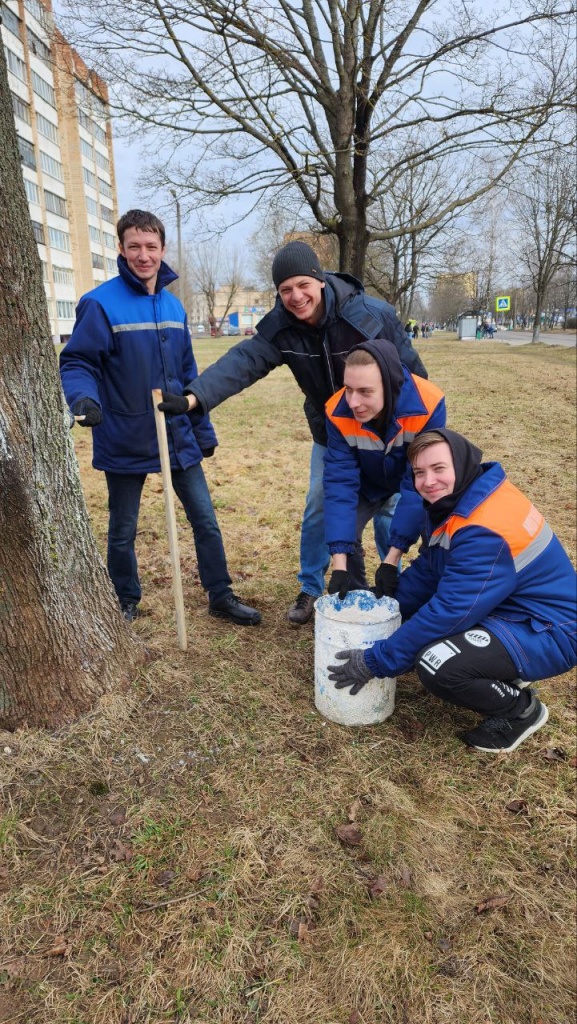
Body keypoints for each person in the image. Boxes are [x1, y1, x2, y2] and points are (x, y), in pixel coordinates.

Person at [174, 240, 427, 625]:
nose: (295, 296)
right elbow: (243, 362)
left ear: (320, 280)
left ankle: (396, 589)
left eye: (302, 285)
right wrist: (195, 397)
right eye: (285, 289)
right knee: (320, 505)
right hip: (331, 433)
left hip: (383, 432)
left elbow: (414, 374)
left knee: (391, 507)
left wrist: (410, 430)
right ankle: (312, 587)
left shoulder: (371, 316)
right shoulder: (282, 328)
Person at [60, 209, 261, 627]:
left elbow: (189, 376)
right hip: (124, 434)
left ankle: (220, 594)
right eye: (134, 246)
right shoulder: (99, 304)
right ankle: (125, 600)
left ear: (162, 249)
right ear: (120, 248)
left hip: (177, 434)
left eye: (151, 246)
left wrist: (201, 429)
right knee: (123, 529)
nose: (143, 255)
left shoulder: (172, 306)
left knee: (205, 519)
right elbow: (78, 361)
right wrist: (83, 400)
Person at [328, 428, 577, 752]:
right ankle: (500, 669)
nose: (428, 481)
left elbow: (449, 610)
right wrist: (387, 608)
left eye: (439, 468)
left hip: (551, 629)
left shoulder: (483, 529)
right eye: (419, 472)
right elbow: (434, 567)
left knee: (435, 662)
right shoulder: (461, 500)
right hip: (509, 607)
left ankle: (520, 710)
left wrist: (376, 661)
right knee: (420, 631)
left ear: (460, 463)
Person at [323, 340, 446, 597]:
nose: (353, 402)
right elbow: (340, 485)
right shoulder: (337, 412)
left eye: (365, 392)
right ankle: (355, 596)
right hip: (367, 482)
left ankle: (410, 593)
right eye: (348, 389)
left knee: (432, 529)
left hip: (413, 478)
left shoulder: (428, 405)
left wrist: (391, 559)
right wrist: (339, 567)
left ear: (390, 387)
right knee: (347, 533)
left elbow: (417, 484)